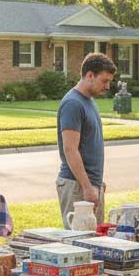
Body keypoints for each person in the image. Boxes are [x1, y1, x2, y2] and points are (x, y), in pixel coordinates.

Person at [56, 52, 116, 226]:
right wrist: (87, 187)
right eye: (104, 81)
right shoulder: (73, 104)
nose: (107, 86)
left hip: (90, 184)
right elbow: (70, 149)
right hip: (77, 185)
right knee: (80, 243)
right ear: (90, 75)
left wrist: (96, 184)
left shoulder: (88, 101)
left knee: (96, 243)